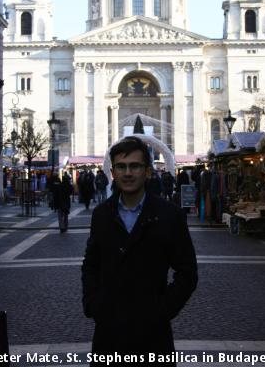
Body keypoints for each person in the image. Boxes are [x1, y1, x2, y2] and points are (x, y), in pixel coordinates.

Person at [82, 136, 197, 366]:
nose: (128, 173)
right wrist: (94, 303)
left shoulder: (170, 215)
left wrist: (162, 311)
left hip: (152, 334)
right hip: (109, 332)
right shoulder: (102, 214)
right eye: (121, 167)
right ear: (112, 172)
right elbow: (91, 263)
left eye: (135, 166)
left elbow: (187, 272)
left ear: (147, 172)